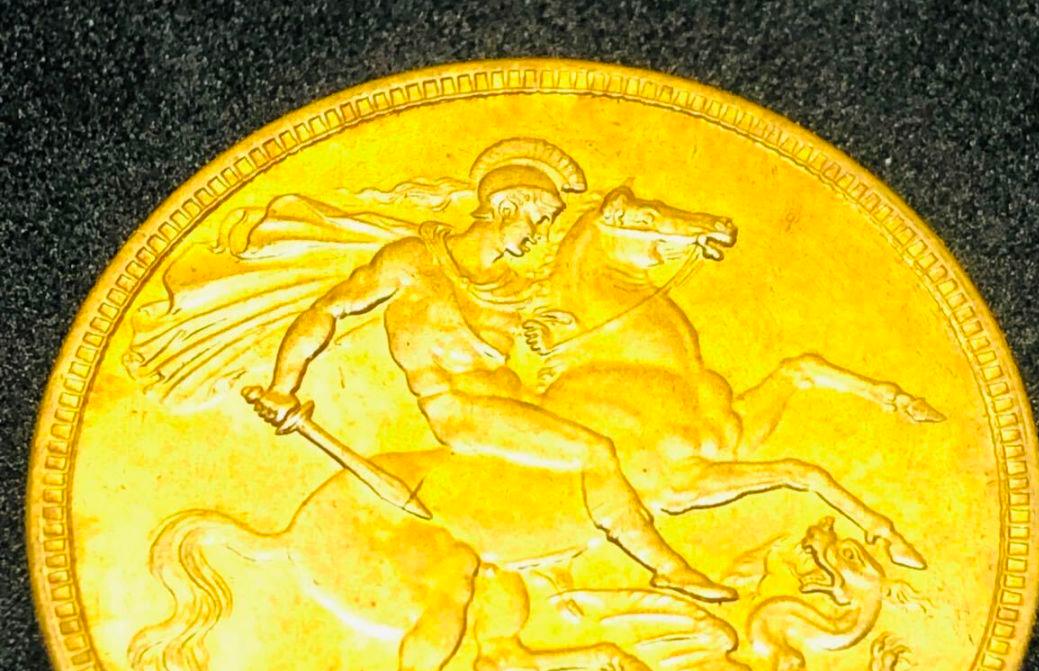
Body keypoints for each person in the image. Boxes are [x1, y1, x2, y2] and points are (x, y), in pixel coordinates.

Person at [251, 138, 732, 602]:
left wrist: (682, 243)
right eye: (538, 219)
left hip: (520, 402)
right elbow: (328, 310)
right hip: (462, 411)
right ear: (506, 208)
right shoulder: (413, 262)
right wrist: (282, 385)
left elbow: (576, 310)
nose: (540, 234)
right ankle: (668, 568)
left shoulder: (513, 287)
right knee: (595, 450)